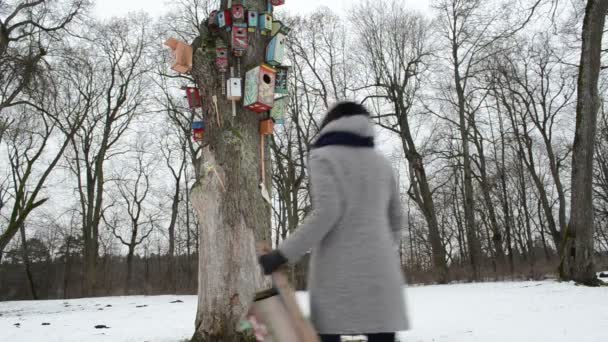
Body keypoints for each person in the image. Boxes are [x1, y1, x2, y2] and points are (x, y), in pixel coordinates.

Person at [258, 102, 409, 342]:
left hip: (337, 274)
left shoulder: (323, 156)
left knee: (328, 333)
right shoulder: (382, 163)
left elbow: (327, 213)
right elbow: (396, 219)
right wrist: (379, 251)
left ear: (330, 124)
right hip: (382, 273)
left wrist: (282, 254)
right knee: (382, 333)